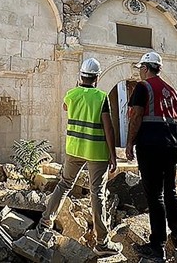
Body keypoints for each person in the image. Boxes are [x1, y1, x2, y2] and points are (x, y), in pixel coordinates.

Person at [38, 57, 123, 256]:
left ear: (81, 76)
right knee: (97, 192)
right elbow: (108, 128)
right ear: (97, 77)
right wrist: (113, 155)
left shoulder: (71, 94)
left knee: (64, 184)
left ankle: (45, 223)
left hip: (74, 148)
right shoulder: (101, 97)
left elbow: (65, 107)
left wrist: (78, 90)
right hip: (96, 150)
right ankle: (102, 242)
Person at [125, 51, 177, 261]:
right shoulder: (173, 91)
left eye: (140, 68)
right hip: (171, 147)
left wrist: (130, 143)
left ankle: (157, 245)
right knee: (171, 192)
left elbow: (136, 116)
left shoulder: (143, 87)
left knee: (155, 196)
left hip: (150, 146)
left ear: (145, 68)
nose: (139, 72)